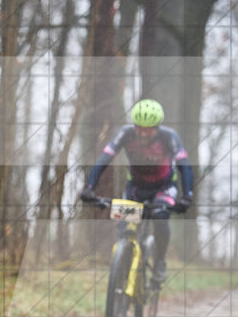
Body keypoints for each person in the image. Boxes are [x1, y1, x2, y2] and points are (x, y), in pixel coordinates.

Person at [79, 98, 194, 288]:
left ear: (157, 127)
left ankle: (159, 262)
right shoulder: (125, 134)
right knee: (124, 226)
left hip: (163, 188)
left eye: (148, 128)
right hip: (136, 188)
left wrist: (187, 195)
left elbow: (184, 166)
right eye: (139, 127)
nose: (142, 132)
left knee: (159, 217)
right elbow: (103, 160)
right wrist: (89, 188)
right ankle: (123, 265)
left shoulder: (169, 136)